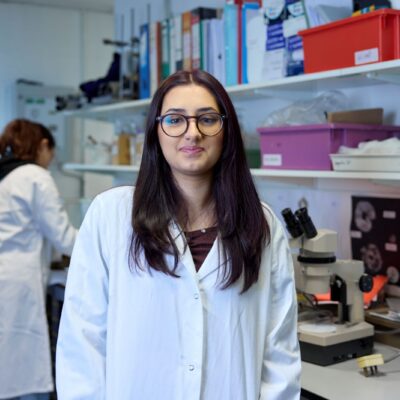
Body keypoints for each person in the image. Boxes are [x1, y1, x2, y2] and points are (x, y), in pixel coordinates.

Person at [56, 70, 301, 399]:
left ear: (227, 131)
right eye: (175, 120)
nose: (192, 133)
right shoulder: (111, 215)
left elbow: (279, 351)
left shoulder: (262, 225)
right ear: (156, 131)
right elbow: (82, 341)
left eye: (207, 119)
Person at [0, 119, 77, 400]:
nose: (50, 160)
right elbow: (64, 236)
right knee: (23, 370)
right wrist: (101, 243)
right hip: (18, 283)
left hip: (8, 276)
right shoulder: (35, 176)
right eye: (51, 153)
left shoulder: (6, 174)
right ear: (43, 145)